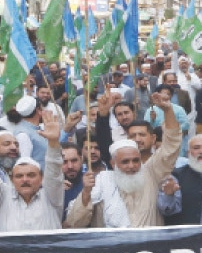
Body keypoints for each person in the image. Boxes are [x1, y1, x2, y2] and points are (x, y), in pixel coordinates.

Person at [67, 91, 182, 228]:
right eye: (125, 162)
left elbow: (171, 145)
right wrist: (86, 192)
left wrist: (167, 109)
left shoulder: (151, 173)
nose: (131, 166)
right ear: (113, 163)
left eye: (135, 160)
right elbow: (75, 223)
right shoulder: (101, 183)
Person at [0, 107, 64, 232]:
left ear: (41, 178)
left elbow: (54, 171)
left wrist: (53, 143)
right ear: (12, 179)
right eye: (19, 176)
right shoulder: (2, 196)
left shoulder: (51, 196)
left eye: (31, 175)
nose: (25, 179)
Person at [159, 135, 202, 225]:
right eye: (196, 148)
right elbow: (168, 211)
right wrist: (169, 196)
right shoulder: (176, 175)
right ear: (189, 153)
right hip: (187, 236)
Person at [13, 95, 48, 170]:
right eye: (43, 109)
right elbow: (24, 164)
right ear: (38, 110)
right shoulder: (23, 134)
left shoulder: (38, 128)